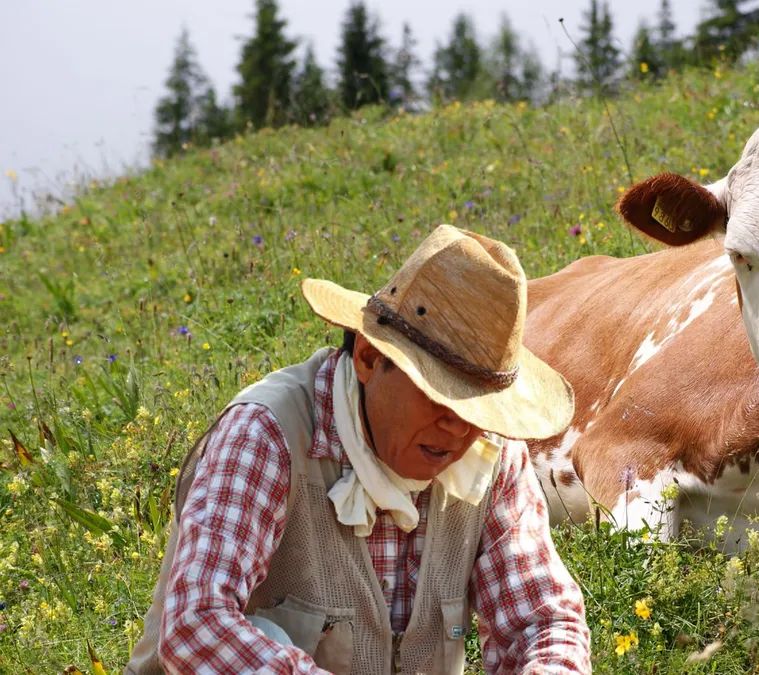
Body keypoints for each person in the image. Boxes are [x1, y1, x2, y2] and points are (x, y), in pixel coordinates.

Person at [125, 225, 591, 674]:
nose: (458, 428)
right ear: (369, 358)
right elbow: (196, 621)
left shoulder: (491, 456)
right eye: (439, 394)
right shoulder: (268, 434)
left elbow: (543, 622)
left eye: (479, 409)